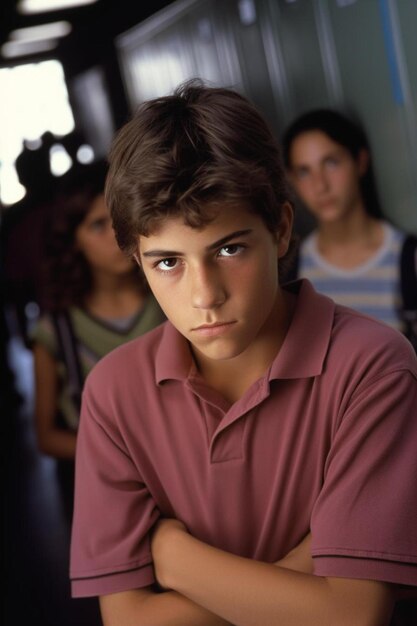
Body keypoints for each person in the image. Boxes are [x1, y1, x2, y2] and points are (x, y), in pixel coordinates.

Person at [70, 82, 417, 626]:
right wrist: (300, 574)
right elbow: (128, 618)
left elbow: (350, 615)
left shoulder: (373, 368)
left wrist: (175, 558)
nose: (204, 296)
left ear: (280, 230)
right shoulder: (114, 393)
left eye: (229, 249)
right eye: (168, 262)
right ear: (136, 260)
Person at [31, 160, 165, 466]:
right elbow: (47, 435)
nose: (116, 234)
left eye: (120, 218)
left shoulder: (170, 300)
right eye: (97, 225)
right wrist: (129, 458)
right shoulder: (57, 330)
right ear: (72, 240)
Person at [281, 108, 417, 344]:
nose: (320, 185)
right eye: (304, 172)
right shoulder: (290, 269)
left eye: (331, 163)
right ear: (292, 180)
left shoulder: (408, 260)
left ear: (360, 162)